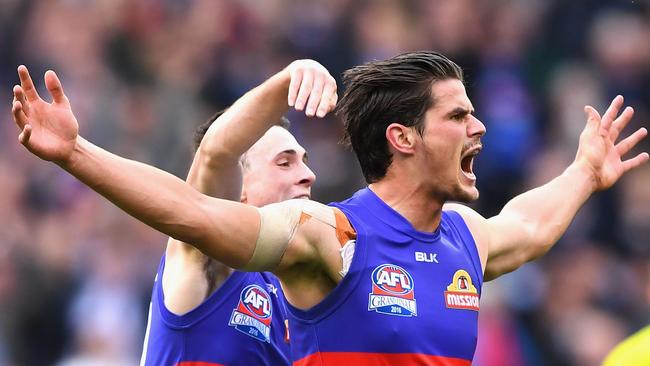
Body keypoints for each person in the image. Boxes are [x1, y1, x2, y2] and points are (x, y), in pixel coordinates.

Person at [11, 51, 648, 365]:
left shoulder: (463, 240)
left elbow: (528, 227)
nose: (478, 128)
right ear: (404, 139)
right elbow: (193, 207)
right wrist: (76, 155)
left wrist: (584, 173)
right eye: (457, 116)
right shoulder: (329, 238)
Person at [139, 59, 336, 365]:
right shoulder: (210, 260)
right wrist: (287, 81)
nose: (309, 175)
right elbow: (216, 153)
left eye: (304, 160)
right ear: (238, 185)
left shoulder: (306, 289)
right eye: (284, 163)